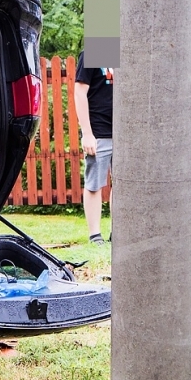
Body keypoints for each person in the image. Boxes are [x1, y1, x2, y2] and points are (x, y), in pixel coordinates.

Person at [74, 53, 114, 244]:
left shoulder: (126, 51)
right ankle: (95, 235)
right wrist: (87, 133)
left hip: (125, 132)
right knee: (94, 184)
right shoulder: (95, 51)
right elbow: (80, 92)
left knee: (124, 185)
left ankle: (118, 232)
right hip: (99, 131)